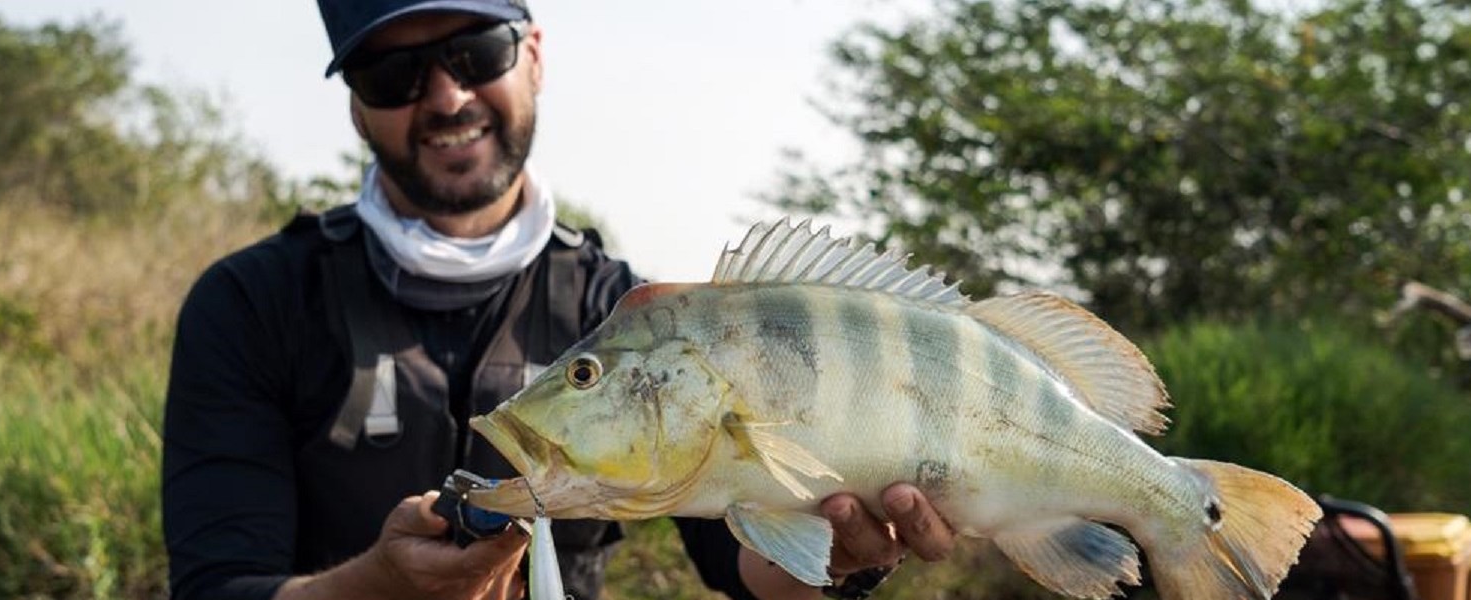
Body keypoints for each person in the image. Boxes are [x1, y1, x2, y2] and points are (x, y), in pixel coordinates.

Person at [161, 1, 958, 598]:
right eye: (391, 74)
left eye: (475, 53)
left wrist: (840, 559)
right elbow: (216, 584)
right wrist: (378, 586)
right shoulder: (252, 303)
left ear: (533, 56)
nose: (445, 98)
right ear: (355, 105)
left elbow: (743, 570)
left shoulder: (629, 312)